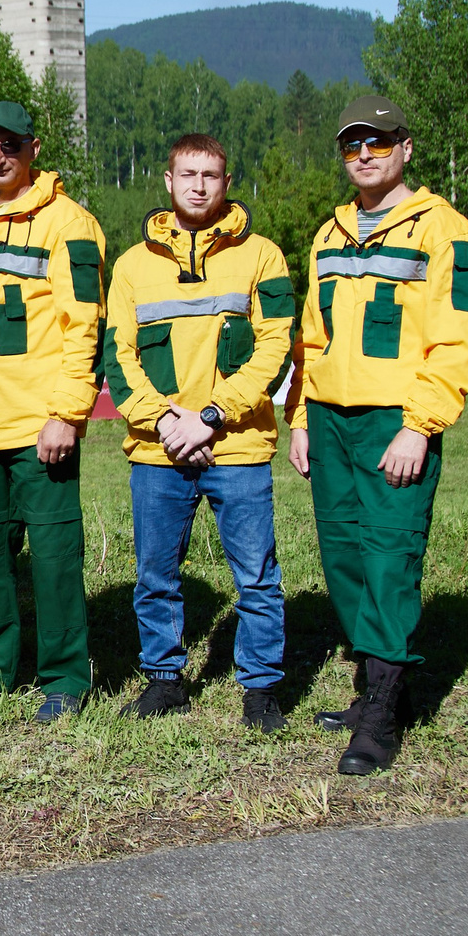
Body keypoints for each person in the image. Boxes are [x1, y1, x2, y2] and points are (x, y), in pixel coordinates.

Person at [287, 93, 468, 775]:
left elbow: (459, 339)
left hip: (395, 421)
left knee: (389, 559)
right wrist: (303, 415)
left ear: (405, 148)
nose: (364, 155)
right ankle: (375, 686)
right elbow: (312, 334)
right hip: (332, 419)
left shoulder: (445, 230)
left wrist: (420, 427)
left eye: (378, 142)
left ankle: (383, 713)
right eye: (351, 145)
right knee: (343, 559)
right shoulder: (329, 233)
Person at [103, 133, 295, 730]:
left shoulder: (263, 255)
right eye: (187, 174)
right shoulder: (132, 265)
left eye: (211, 175)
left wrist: (210, 416)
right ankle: (164, 679)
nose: (198, 185)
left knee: (257, 578)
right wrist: (165, 419)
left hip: (236, 445)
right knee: (155, 576)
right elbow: (119, 356)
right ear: (168, 181)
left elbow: (276, 347)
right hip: (158, 451)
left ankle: (260, 687)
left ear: (227, 182)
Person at [0, 100, 104, 719]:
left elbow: (84, 323)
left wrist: (67, 411)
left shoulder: (71, 222)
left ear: (34, 149)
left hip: (42, 424)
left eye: (10, 145)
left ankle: (64, 678)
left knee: (56, 555)